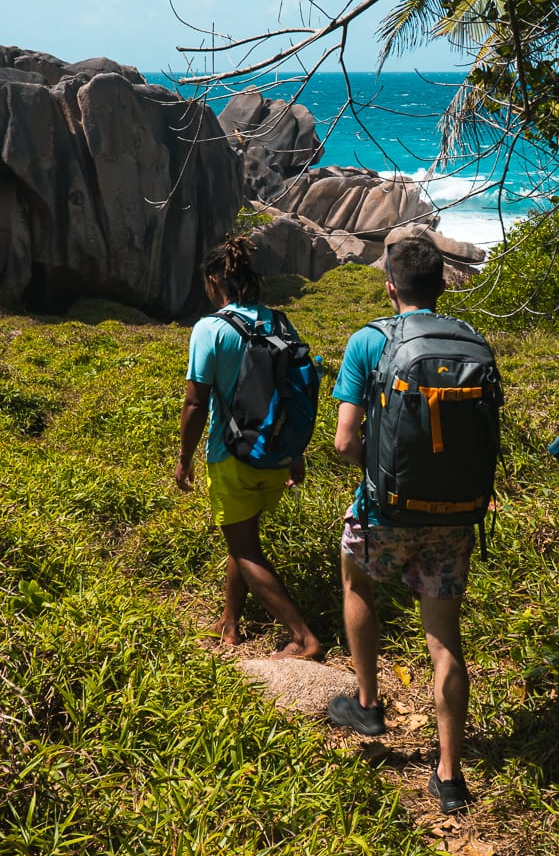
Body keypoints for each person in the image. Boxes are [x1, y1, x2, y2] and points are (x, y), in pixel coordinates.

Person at [327, 235, 481, 813]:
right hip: (453, 516)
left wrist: (382, 465)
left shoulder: (370, 340)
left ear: (389, 286)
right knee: (444, 639)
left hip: (385, 511)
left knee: (357, 579)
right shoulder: (469, 340)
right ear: (442, 285)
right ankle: (448, 776)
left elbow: (345, 442)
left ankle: (368, 704)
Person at [174, 234, 323, 662]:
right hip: (274, 455)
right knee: (243, 538)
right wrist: (295, 454)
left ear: (213, 280)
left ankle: (303, 637)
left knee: (243, 546)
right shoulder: (279, 322)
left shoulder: (210, 328)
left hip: (231, 455)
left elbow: (195, 401)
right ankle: (230, 622)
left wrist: (184, 460)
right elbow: (292, 393)